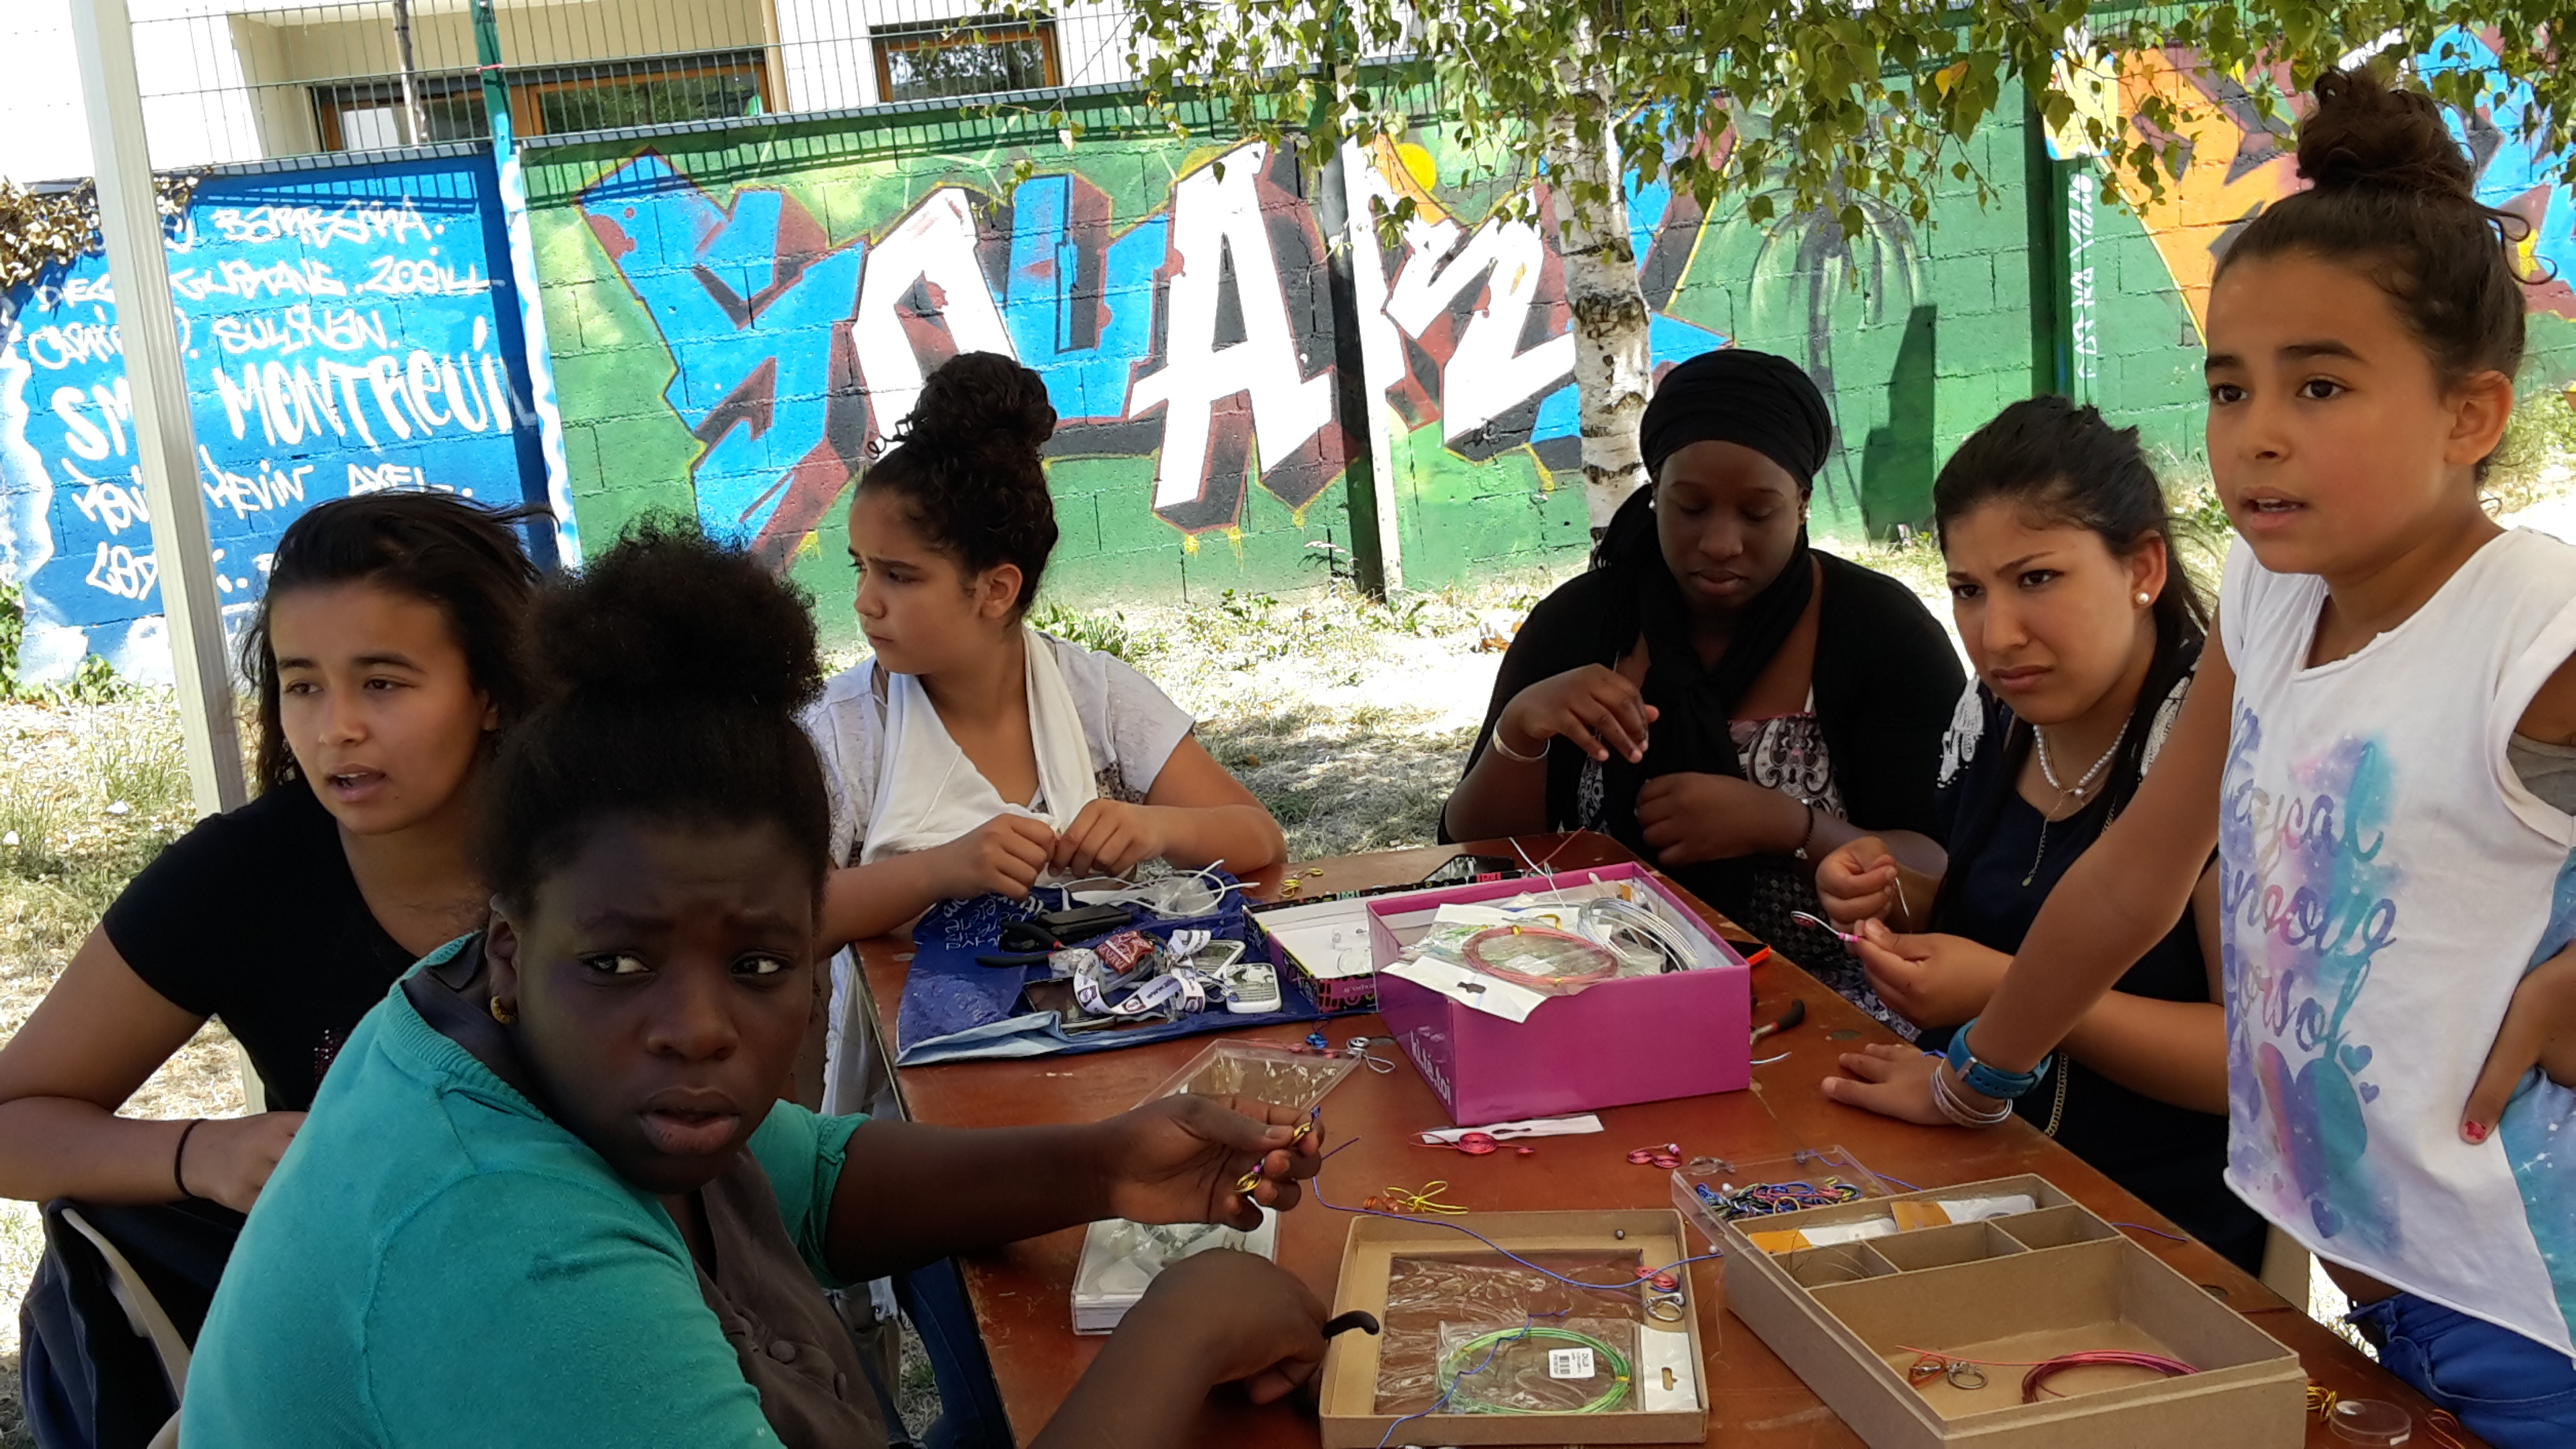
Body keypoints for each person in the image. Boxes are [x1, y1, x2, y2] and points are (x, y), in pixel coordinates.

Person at [179, 522, 1333, 1448]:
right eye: (618, 965)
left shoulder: (498, 1022)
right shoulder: (513, 1253)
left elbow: (809, 1182)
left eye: (760, 965)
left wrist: (1105, 1161)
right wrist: (1182, 1327)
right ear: (508, 945)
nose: (697, 1028)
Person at [1824, 71, 2576, 1445]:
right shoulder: (2272, 601)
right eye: (2230, 386)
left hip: (2536, 1315)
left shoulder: (2531, 626)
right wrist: (1974, 1077)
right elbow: (2132, 876)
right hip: (2378, 1291)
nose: (2257, 431)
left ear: (2469, 417)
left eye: (2320, 385)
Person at [5, 494, 541, 1443]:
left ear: (489, 691)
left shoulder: (603, 848)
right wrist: (202, 1155)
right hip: (356, 1336)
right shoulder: (244, 876)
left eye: (383, 682)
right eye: (303, 685)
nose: (337, 728)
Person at [1812, 398, 2264, 1273]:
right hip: (1964, 1165)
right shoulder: (1994, 717)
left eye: (2038, 579)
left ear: (2142, 568)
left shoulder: (2204, 751)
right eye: (1968, 591)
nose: (1997, 635)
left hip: (2144, 1236)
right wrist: (1895, 898)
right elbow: (2005, 908)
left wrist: (2008, 992)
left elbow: (2244, 1069)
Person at [1442, 348, 1964, 1031]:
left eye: (1758, 513)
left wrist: (1789, 828)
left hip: (1831, 1013)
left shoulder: (1880, 632)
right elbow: (1475, 851)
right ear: (1656, 491)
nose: (1720, 543)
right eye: (1689, 507)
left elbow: (1943, 870)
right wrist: (1520, 731)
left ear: (1803, 503)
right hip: (1602, 999)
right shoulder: (1582, 624)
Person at [806, 351, 1286, 952]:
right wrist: (938, 871)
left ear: (995, 590)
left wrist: (1157, 827)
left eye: (899, 577)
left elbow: (1261, 839)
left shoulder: (1098, 699)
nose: (865, 602)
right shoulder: (843, 731)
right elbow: (794, 916)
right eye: (861, 568)